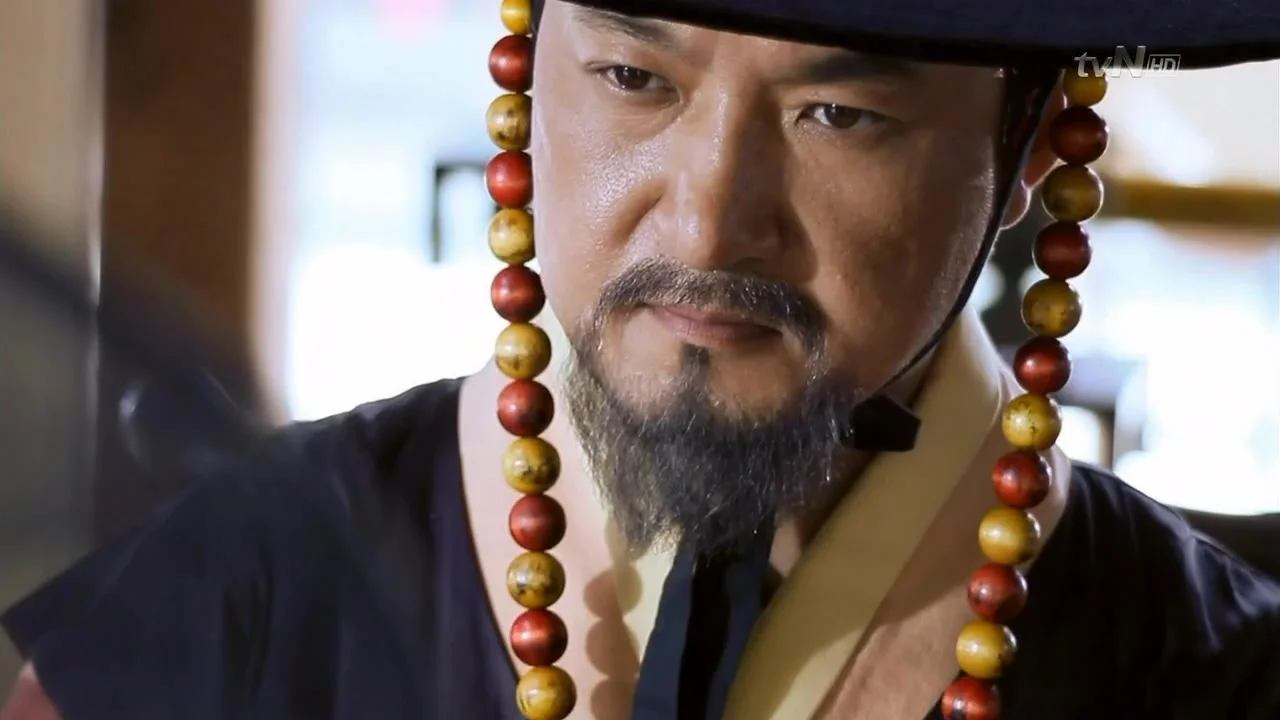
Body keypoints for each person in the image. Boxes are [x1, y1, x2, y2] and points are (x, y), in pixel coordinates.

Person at [3, 0, 1280, 718]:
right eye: (630, 77)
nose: (707, 221)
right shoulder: (230, 594)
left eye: (838, 113)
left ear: (1035, 143)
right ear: (524, 69)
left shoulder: (1209, 673)